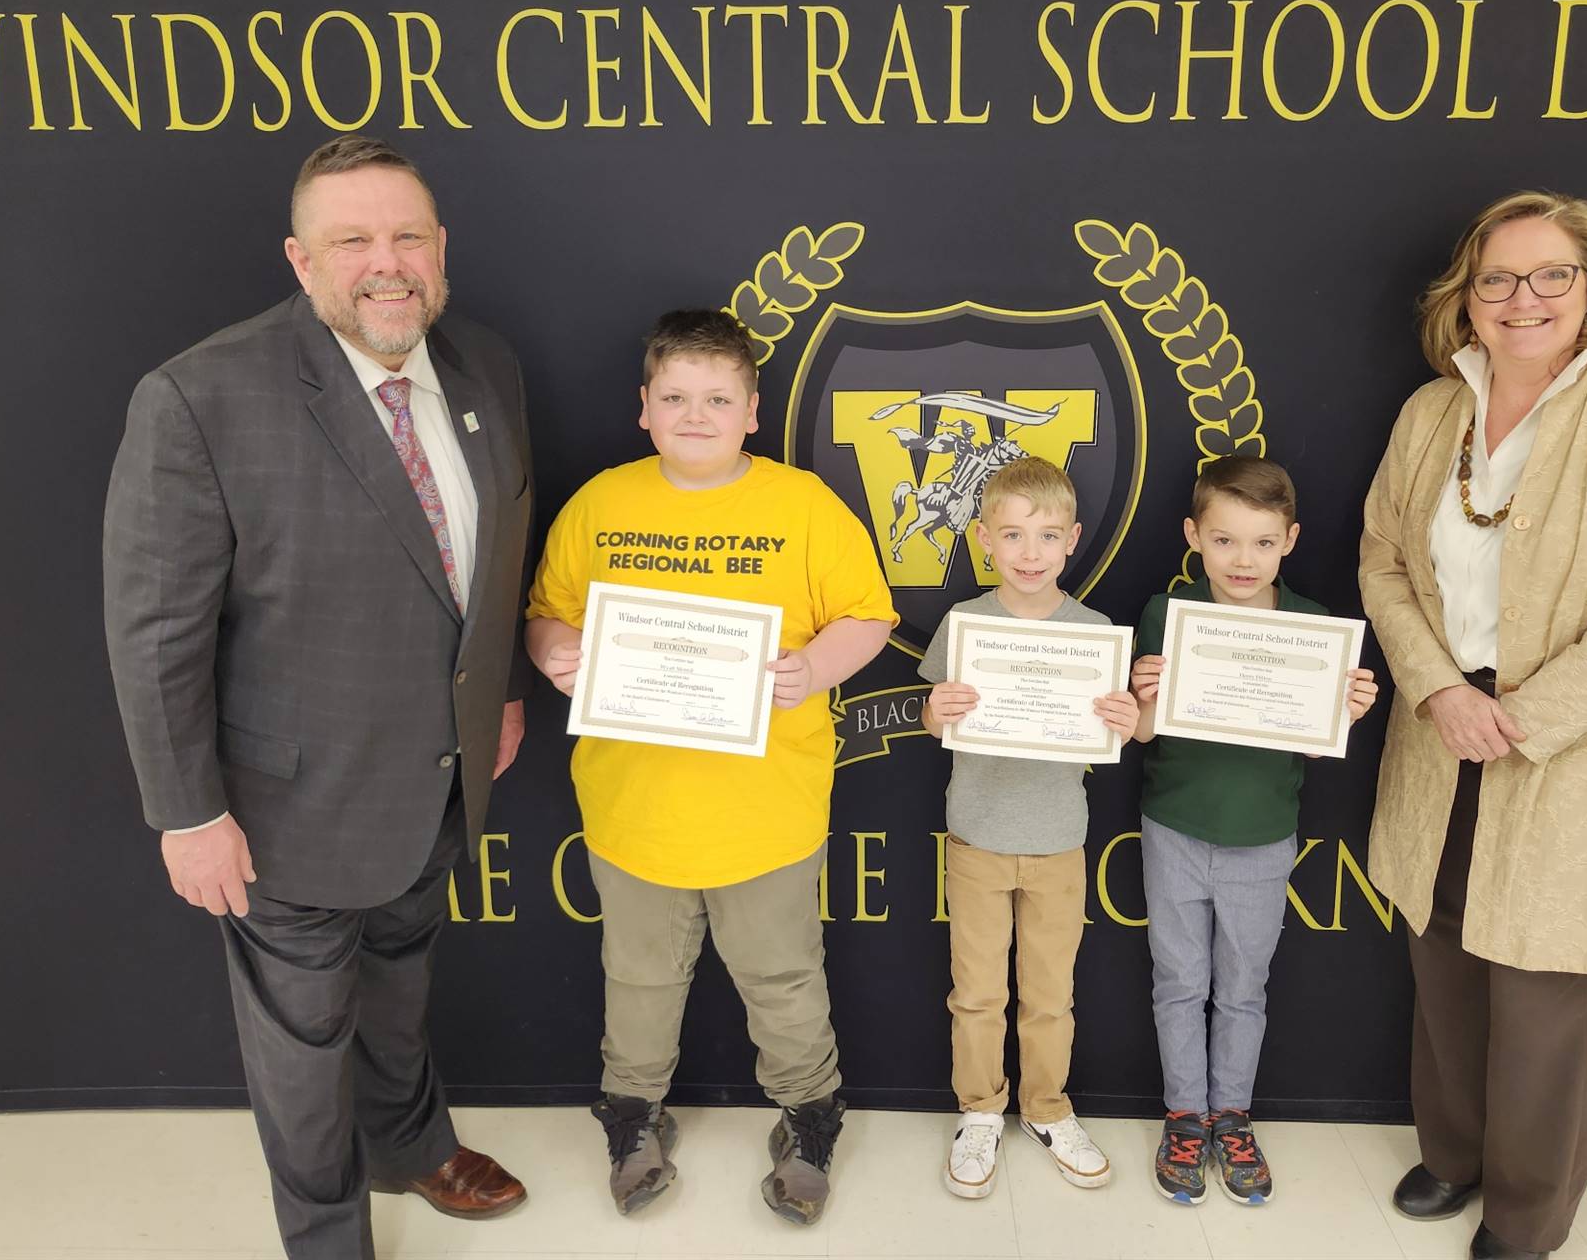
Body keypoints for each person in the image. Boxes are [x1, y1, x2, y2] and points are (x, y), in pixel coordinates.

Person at [103, 135, 535, 1260]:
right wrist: (186, 811)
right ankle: (327, 1237)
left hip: (438, 787)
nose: (384, 263)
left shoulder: (486, 364)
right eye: (354, 241)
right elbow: (155, 632)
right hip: (281, 810)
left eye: (406, 237)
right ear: (304, 261)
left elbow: (482, 569)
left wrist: (493, 699)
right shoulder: (201, 397)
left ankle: (408, 1146)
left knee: (398, 989)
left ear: (441, 252)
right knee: (300, 1052)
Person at [1358, 192, 1587, 1260]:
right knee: (1444, 960)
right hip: (1441, 727)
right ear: (1464, 302)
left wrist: (1519, 718)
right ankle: (1455, 1154)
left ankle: (1526, 1213)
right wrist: (1437, 691)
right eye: (1498, 279)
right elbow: (1382, 560)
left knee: (1545, 993)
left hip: (1568, 746)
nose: (1524, 299)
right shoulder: (1431, 416)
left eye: (1550, 275)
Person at [524, 309, 895, 1225]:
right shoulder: (601, 503)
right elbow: (546, 610)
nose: (697, 415)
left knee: (781, 976)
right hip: (634, 806)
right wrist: (554, 653)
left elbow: (868, 614)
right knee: (640, 977)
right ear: (644, 407)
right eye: (677, 397)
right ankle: (632, 1112)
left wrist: (815, 668)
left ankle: (810, 1112)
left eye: (718, 398)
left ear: (752, 411)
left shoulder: (803, 504)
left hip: (765, 807)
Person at [1128, 457, 1378, 1206]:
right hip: (1174, 825)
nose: (1243, 561)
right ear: (1193, 537)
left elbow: (1310, 741)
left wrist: (1346, 712)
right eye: (1226, 541)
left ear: (1291, 541)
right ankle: (1184, 1116)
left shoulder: (1315, 629)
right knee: (1178, 983)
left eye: (1263, 543)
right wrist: (1143, 696)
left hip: (1265, 836)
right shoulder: (1164, 614)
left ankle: (1231, 1116)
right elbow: (1139, 733)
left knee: (1242, 988)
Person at [918, 457, 1139, 1199]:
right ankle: (980, 1111)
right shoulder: (966, 624)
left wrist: (1128, 723)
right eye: (1012, 534)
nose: (1030, 552)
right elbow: (933, 714)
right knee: (977, 994)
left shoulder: (1098, 633)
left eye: (1046, 535)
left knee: (1049, 994)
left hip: (1058, 841)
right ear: (984, 538)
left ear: (1072, 539)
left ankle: (1047, 1108)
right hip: (977, 836)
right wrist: (933, 712)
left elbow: (1116, 731)